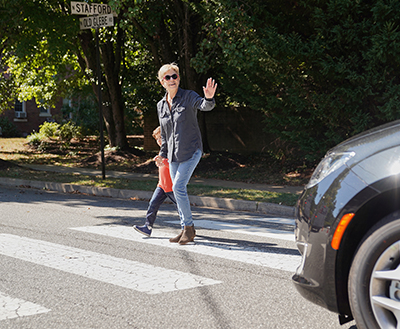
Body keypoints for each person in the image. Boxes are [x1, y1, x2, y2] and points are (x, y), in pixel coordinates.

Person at [155, 63, 217, 245]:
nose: (172, 80)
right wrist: (162, 154)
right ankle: (185, 229)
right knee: (176, 190)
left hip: (191, 150)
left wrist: (209, 98)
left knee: (178, 187)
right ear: (162, 82)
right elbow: (165, 135)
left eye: (174, 76)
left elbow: (204, 105)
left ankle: (189, 229)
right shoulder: (161, 105)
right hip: (174, 155)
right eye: (168, 77)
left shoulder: (188, 96)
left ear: (179, 78)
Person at [133, 126, 177, 237]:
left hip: (173, 187)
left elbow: (175, 167)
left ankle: (188, 227)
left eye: (160, 138)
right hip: (162, 186)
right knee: (153, 204)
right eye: (157, 139)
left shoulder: (173, 150)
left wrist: (164, 161)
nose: (159, 141)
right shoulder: (162, 151)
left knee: (181, 208)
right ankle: (147, 227)